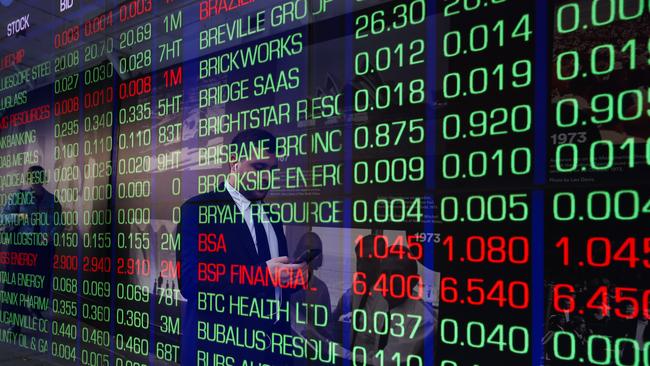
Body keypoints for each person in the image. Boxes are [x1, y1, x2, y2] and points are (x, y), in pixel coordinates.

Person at [178, 128, 308, 365]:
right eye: (258, 168)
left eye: (271, 170)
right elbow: (191, 284)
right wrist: (262, 275)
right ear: (234, 163)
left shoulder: (272, 217)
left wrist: (293, 277)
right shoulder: (198, 210)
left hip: (272, 350)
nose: (267, 177)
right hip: (221, 351)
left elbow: (274, 282)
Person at [1, 166, 61, 332]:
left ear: (42, 178)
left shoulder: (52, 200)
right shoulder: (19, 196)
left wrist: (51, 235)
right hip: (21, 244)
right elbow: (4, 215)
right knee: (17, 283)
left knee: (40, 279)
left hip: (42, 246)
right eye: (32, 176)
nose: (35, 179)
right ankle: (15, 321)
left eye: (38, 176)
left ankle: (35, 308)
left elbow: (59, 222)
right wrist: (22, 216)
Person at [372, 248, 436, 366]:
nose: (388, 280)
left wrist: (336, 351)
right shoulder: (382, 306)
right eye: (384, 273)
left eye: (397, 274)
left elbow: (384, 362)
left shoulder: (422, 319)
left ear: (413, 281)